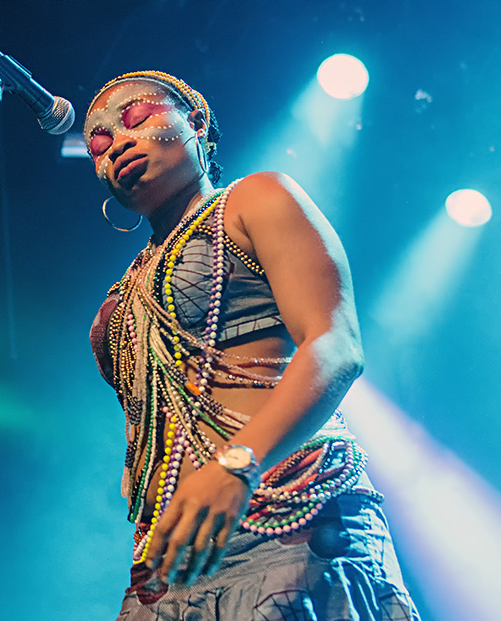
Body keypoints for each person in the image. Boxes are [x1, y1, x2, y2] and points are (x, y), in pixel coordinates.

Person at [85, 70, 420, 620]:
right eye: (97, 140)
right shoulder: (119, 297)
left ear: (196, 123)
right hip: (172, 561)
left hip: (290, 515)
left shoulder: (256, 198)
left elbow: (335, 344)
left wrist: (236, 465)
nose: (116, 141)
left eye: (136, 118)